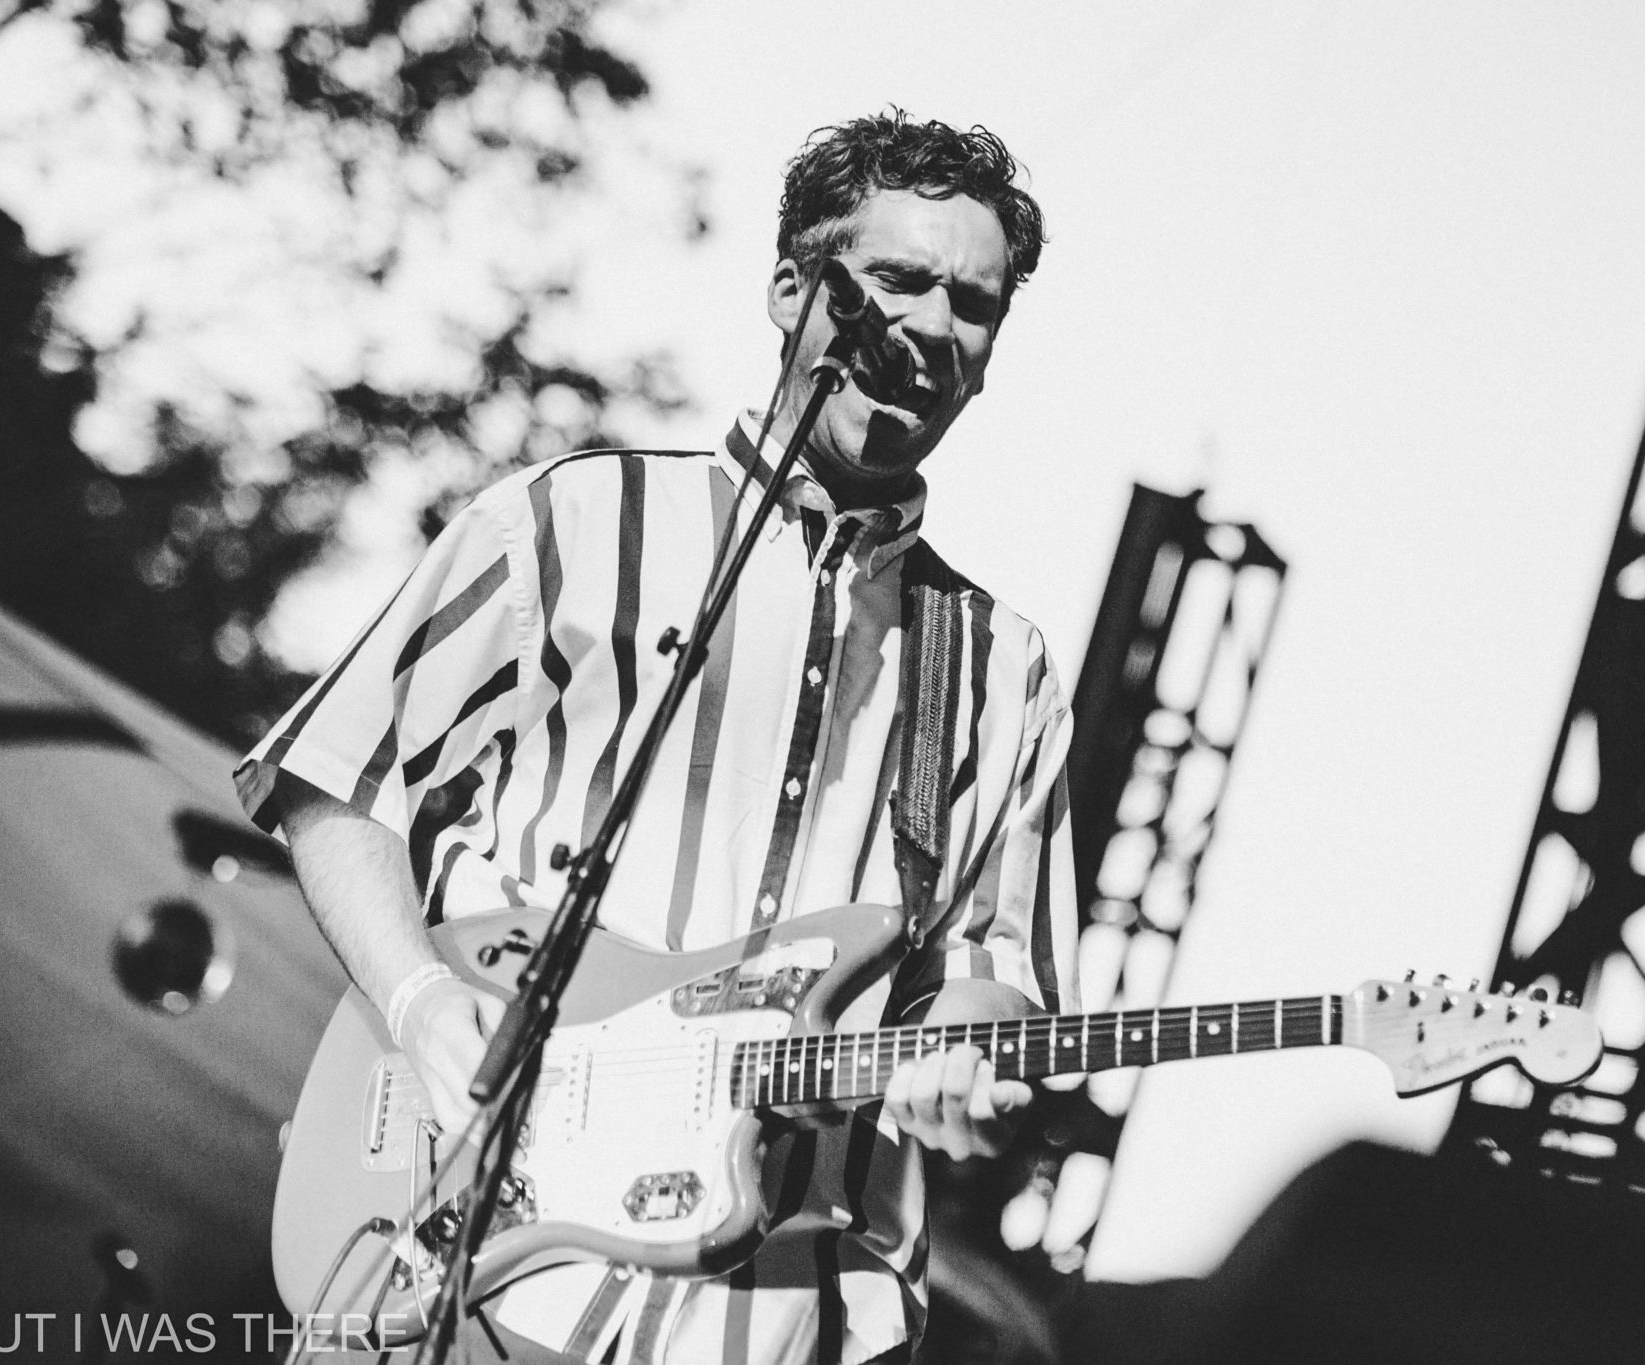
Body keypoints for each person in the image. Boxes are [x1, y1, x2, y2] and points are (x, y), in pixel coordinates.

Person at [237, 111, 1079, 1365]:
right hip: (465, 1260)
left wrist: (965, 1053)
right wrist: (418, 1007)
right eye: (896, 280)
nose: (927, 329)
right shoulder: (573, 521)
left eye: (970, 305)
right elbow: (333, 783)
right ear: (794, 288)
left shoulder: (1001, 668)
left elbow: (989, 963)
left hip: (788, 1314)